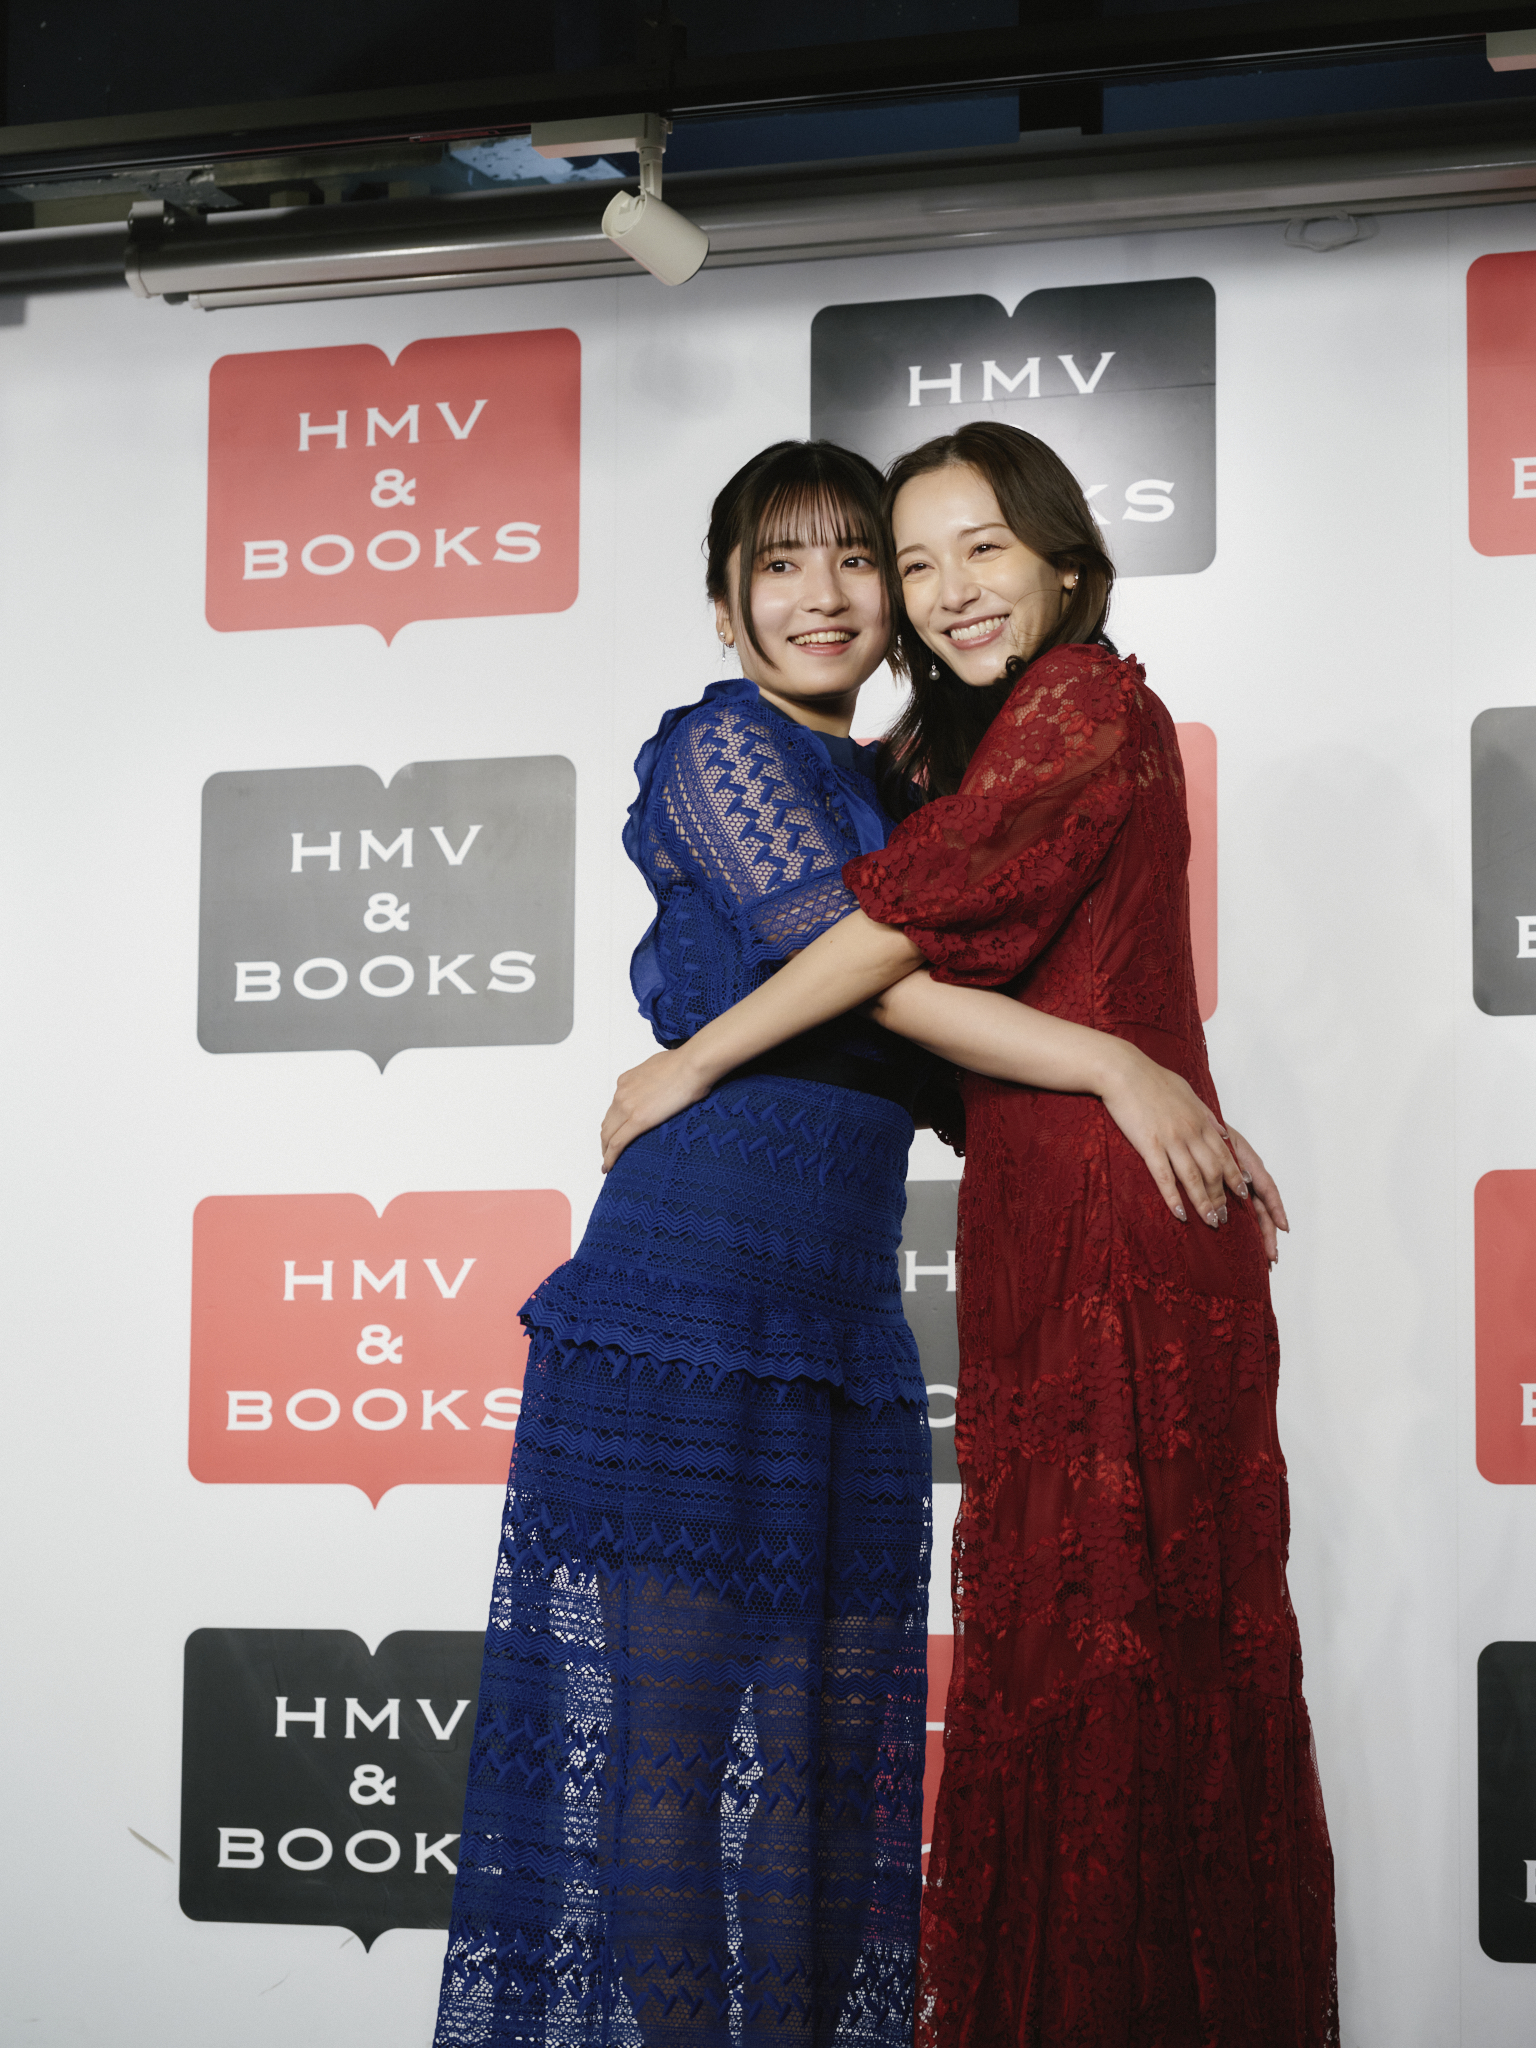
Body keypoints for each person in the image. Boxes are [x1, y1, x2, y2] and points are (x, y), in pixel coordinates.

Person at [435, 438, 1265, 2048]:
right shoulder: (722, 748)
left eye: (855, 559)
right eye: (778, 564)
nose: (825, 594)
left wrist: (1148, 1086)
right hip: (690, 1291)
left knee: (827, 1776)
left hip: (842, 1320)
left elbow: (960, 1044)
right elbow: (871, 970)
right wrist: (1119, 1064)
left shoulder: (901, 785)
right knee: (673, 1763)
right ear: (726, 605)